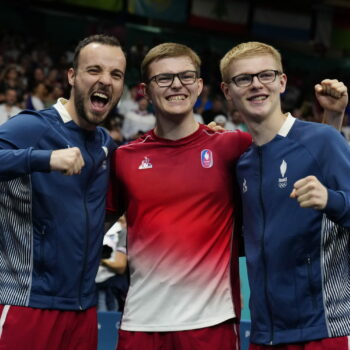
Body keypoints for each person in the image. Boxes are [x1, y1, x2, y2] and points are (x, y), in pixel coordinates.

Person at [107, 42, 252, 350]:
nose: (176, 85)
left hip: (211, 323)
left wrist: (332, 119)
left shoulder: (232, 147)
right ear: (145, 91)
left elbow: (294, 159)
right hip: (140, 324)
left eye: (186, 76)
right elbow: (93, 227)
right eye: (164, 78)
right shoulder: (124, 158)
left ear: (199, 85)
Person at [220, 41, 350, 349]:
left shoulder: (323, 140)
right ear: (227, 91)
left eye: (266, 75)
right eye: (243, 78)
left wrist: (331, 200)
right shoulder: (243, 163)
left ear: (282, 81)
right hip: (265, 334)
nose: (256, 85)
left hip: (323, 330)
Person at [0, 34, 126, 350]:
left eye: (116, 74)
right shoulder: (32, 127)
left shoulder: (105, 145)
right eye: (94, 70)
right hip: (28, 303)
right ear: (72, 76)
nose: (106, 81)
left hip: (83, 311)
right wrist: (42, 158)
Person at [96, 216, 128, 312]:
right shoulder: (95, 230)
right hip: (92, 287)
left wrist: (101, 261)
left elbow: (120, 266)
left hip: (111, 286)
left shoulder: (122, 232)